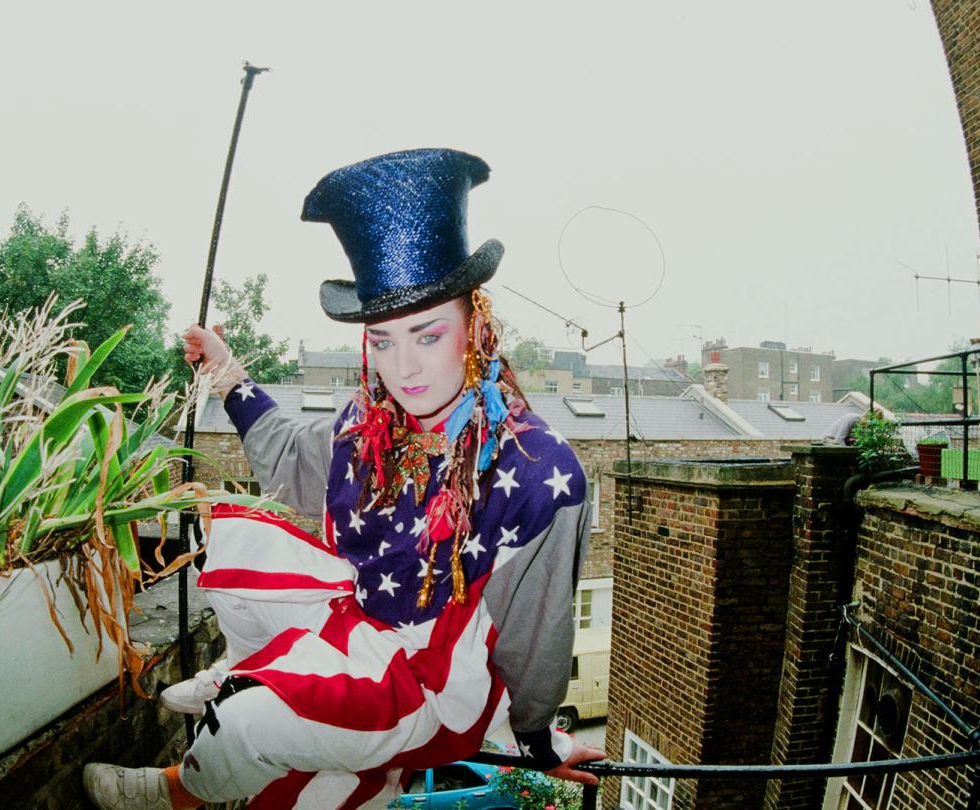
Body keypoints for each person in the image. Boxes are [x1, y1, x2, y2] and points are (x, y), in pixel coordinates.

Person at [84, 148, 605, 809]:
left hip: (435, 679)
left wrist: (536, 742)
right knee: (237, 550)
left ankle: (180, 788)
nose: (405, 367)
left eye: (426, 334)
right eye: (383, 341)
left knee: (249, 727)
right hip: (360, 613)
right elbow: (287, 461)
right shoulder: (370, 423)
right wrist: (227, 375)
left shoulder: (539, 472)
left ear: (475, 324)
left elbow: (537, 637)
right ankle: (244, 677)